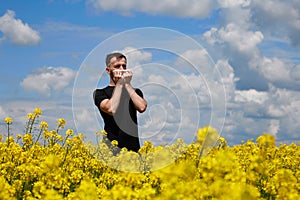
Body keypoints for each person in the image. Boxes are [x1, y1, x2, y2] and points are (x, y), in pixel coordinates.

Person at [93, 52, 147, 152]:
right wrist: (119, 84)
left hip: (133, 151)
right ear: (108, 70)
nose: (122, 69)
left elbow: (142, 107)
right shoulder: (100, 93)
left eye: (124, 66)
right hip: (110, 151)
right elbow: (111, 108)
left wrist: (126, 84)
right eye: (117, 66)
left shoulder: (135, 92)